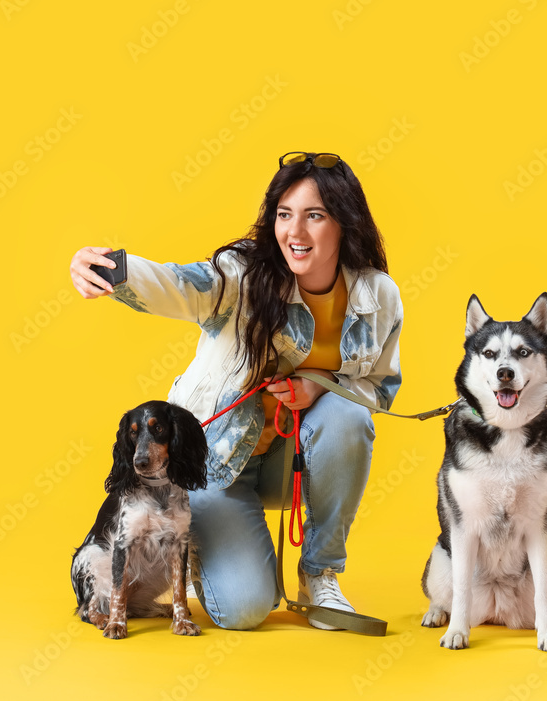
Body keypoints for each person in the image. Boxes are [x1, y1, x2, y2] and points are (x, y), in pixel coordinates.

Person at [68, 151, 402, 630]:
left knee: (350, 418)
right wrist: (111, 269)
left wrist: (318, 387)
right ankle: (209, 549)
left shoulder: (378, 296)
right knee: (245, 610)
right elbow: (182, 284)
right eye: (284, 215)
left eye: (314, 216)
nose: (295, 233)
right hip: (216, 464)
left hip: (297, 464)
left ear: (344, 223)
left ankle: (320, 571)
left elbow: (380, 387)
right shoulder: (242, 275)